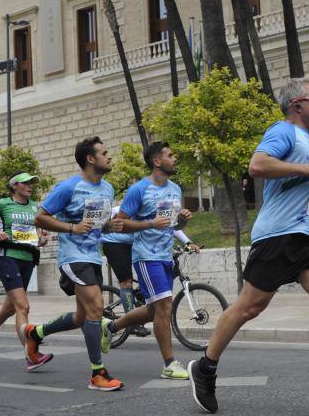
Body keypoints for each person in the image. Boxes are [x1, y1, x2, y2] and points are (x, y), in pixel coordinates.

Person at [187, 76, 309, 415]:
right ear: (297, 105)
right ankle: (205, 366)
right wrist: (308, 169)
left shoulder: (306, 139)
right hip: (280, 234)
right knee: (250, 307)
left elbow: (301, 181)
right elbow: (257, 165)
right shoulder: (283, 131)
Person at [22, 137, 125, 391]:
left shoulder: (107, 189)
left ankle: (36, 333)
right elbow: (40, 218)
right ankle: (97, 374)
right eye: (104, 152)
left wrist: (111, 225)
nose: (109, 156)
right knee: (96, 308)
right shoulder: (68, 187)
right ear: (90, 159)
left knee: (82, 316)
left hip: (92, 255)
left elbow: (98, 222)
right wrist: (72, 227)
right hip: (73, 257)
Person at [102, 142, 194, 380]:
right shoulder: (139, 190)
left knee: (154, 309)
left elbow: (173, 224)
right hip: (145, 256)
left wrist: (183, 220)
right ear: (156, 161)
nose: (175, 159)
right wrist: (150, 223)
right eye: (170, 155)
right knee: (164, 306)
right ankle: (169, 364)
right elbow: (121, 223)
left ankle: (110, 327)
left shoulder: (175, 189)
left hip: (165, 255)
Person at [0, 172, 52, 369]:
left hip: (28, 258)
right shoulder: (2, 204)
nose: (30, 186)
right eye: (26, 183)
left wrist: (42, 238)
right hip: (8, 258)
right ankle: (31, 354)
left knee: (9, 308)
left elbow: (36, 234)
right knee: (23, 307)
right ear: (15, 186)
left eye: (32, 183)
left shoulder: (35, 207)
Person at [101, 201, 199, 338]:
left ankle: (137, 303)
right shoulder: (128, 208)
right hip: (114, 244)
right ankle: (132, 324)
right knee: (126, 282)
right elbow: (105, 223)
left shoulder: (157, 210)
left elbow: (171, 227)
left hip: (134, 244)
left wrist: (188, 242)